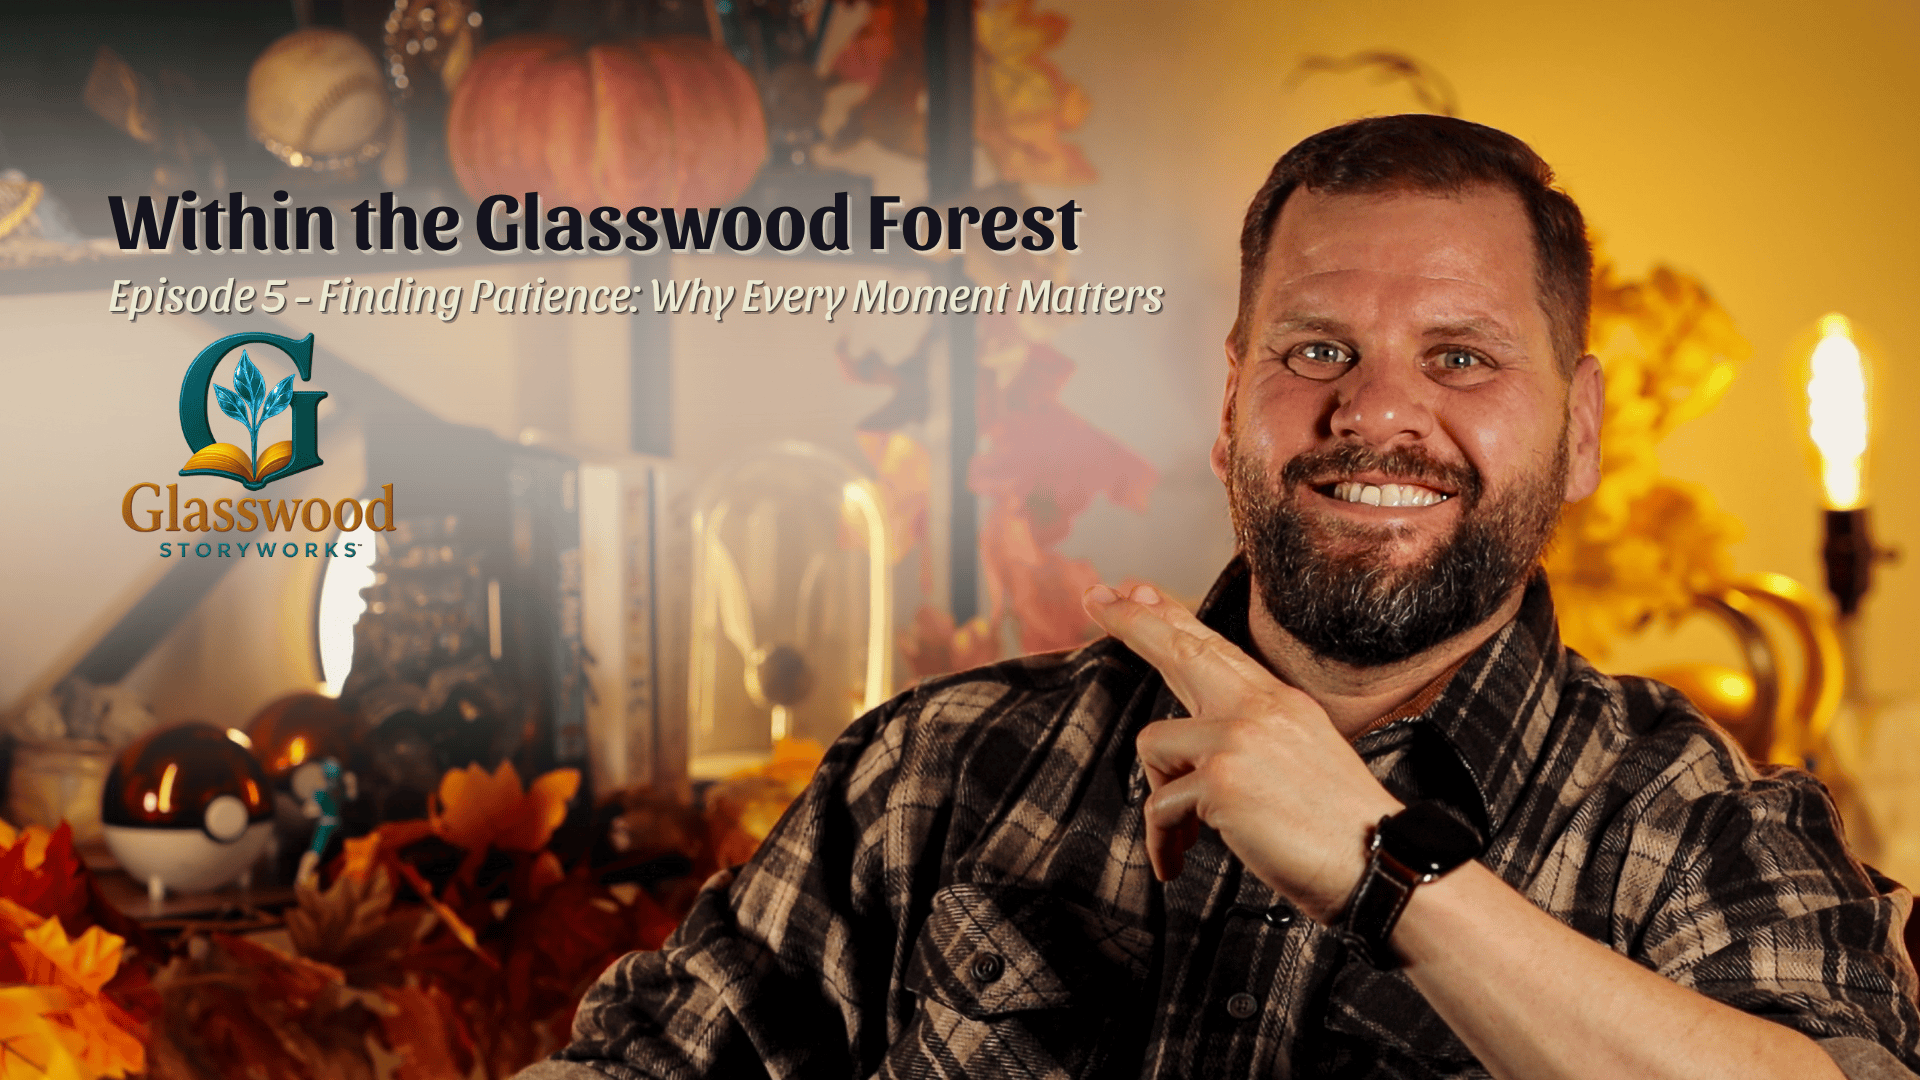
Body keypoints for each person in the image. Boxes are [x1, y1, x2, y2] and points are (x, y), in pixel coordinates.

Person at [523, 115, 1920, 1079]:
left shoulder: (1694, 822)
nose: (1376, 412)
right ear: (1232, 396)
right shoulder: (936, 768)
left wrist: (1386, 874)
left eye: (1462, 359)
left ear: (1584, 433)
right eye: (1317, 349)